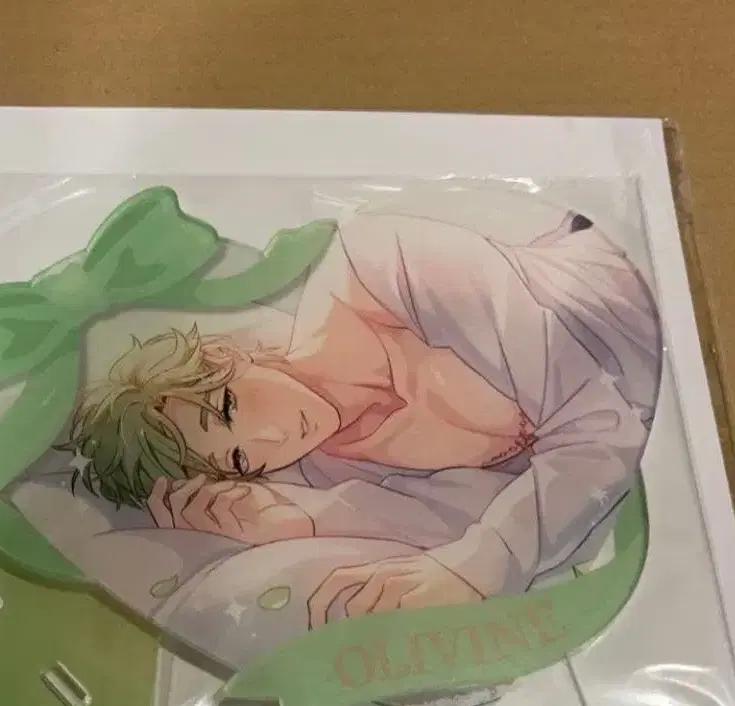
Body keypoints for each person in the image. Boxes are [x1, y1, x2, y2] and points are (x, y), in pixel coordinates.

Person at [63, 206, 662, 630]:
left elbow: (599, 425)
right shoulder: (328, 472)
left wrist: (486, 563)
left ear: (226, 355)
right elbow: (475, 520)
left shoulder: (378, 265)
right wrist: (306, 523)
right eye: (242, 460)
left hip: (650, 295)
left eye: (228, 407)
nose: (275, 437)